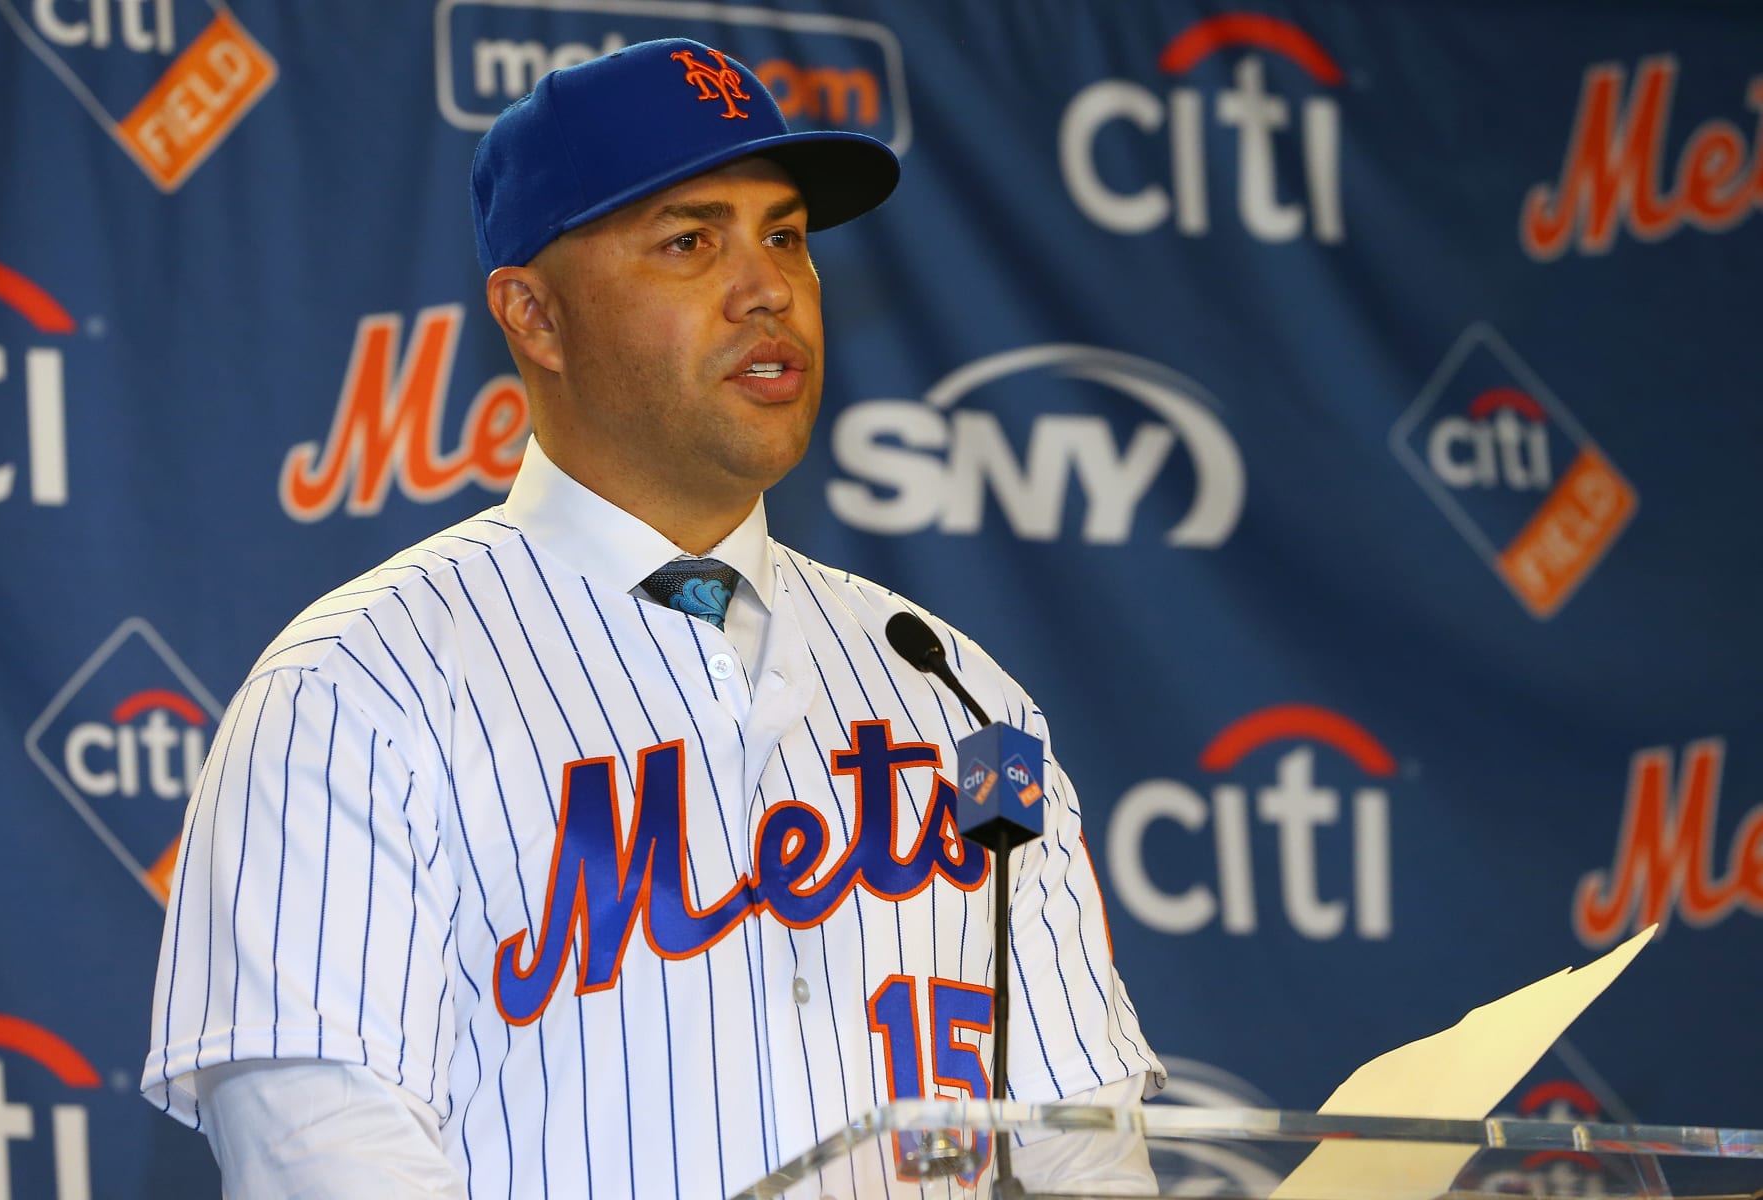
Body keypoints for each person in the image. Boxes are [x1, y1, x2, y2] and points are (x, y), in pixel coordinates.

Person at [142, 37, 1164, 1199]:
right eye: (691, 240)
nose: (769, 285)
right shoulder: (354, 693)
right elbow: (323, 1160)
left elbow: (1085, 1148)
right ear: (534, 316)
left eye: (785, 235)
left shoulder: (970, 703)